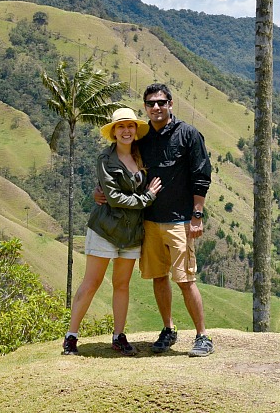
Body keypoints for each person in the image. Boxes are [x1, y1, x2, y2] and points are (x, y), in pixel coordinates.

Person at [96, 83, 214, 357]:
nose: (156, 107)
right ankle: (168, 329)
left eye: (161, 102)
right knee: (158, 278)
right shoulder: (143, 138)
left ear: (171, 103)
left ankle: (202, 336)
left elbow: (201, 175)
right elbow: (121, 164)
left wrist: (197, 215)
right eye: (151, 103)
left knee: (185, 279)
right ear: (145, 108)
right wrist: (100, 190)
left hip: (179, 220)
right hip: (148, 221)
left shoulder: (188, 134)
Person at [63, 108, 162, 356]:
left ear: (135, 130)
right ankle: (71, 337)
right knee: (92, 283)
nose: (126, 131)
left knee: (122, 284)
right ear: (114, 132)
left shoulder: (142, 156)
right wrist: (146, 198)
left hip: (131, 233)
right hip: (105, 229)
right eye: (121, 127)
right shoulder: (105, 160)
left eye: (130, 126)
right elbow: (114, 198)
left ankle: (119, 336)